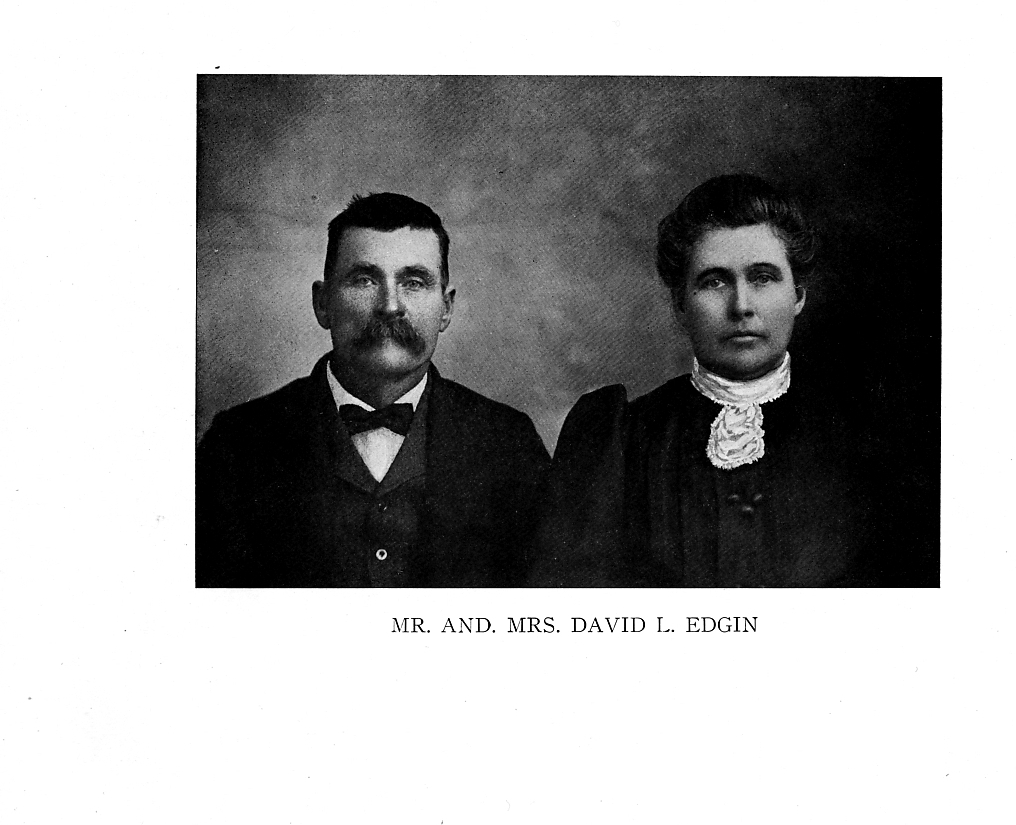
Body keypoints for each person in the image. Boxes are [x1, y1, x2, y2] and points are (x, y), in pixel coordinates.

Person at [530, 173, 930, 587]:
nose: (741, 306)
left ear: (798, 295)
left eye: (763, 277)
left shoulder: (865, 431)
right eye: (715, 281)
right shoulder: (621, 439)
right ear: (680, 305)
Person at [197, 192, 550, 587]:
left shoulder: (509, 441)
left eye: (414, 282)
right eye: (364, 280)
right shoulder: (237, 444)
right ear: (323, 303)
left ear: (446, 308)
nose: (390, 305)